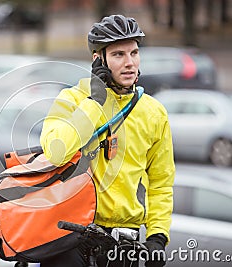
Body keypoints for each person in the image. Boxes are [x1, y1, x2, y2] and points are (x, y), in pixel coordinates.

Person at [39, 14, 175, 267]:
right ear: (98, 60)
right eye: (118, 55)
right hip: (73, 237)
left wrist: (158, 236)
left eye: (134, 53)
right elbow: (56, 152)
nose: (129, 63)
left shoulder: (154, 112)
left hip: (125, 243)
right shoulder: (73, 99)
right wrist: (95, 101)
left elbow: (161, 183)